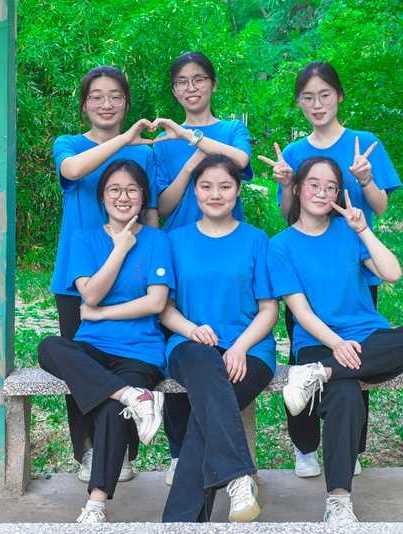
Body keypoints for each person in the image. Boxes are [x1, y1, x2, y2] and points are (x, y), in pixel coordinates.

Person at [258, 61, 403, 478]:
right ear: (299, 103)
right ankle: (305, 446)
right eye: (308, 97)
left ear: (339, 96)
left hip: (355, 265)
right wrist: (285, 184)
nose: (317, 104)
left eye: (325, 94)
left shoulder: (364, 143)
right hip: (305, 270)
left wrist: (366, 179)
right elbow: (289, 215)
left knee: (359, 352)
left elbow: (380, 208)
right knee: (305, 352)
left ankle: (351, 446)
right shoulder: (295, 153)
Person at [267, 157, 403, 526]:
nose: (322, 193)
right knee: (347, 394)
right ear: (297, 188)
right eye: (314, 184)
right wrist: (337, 345)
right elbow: (300, 312)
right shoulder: (281, 245)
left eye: (331, 187)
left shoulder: (347, 232)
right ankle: (338, 500)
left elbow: (392, 273)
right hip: (318, 342)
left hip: (365, 339)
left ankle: (319, 373)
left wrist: (363, 229)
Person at [38, 159, 172, 524]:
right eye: (114, 190)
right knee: (49, 347)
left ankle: (95, 505)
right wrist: (120, 248)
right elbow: (91, 294)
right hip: (92, 347)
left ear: (143, 196)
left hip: (140, 351)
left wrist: (100, 314)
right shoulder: (84, 239)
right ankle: (131, 396)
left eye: (131, 190)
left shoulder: (157, 240)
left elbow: (156, 302)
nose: (123, 197)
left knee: (112, 411)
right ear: (102, 197)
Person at [51, 65, 158, 483]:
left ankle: (124, 451)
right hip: (77, 277)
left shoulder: (144, 154)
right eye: (96, 96)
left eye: (115, 96)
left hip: (133, 275)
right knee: (79, 364)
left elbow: (151, 216)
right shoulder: (69, 144)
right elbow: (73, 171)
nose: (106, 103)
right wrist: (124, 139)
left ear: (126, 102)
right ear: (84, 105)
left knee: (128, 361)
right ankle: (88, 451)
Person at [153, 51, 254, 484]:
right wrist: (190, 163)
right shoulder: (162, 145)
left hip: (228, 251)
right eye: (182, 81)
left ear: (212, 84)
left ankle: (228, 454)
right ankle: (181, 452)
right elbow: (162, 205)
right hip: (179, 252)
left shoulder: (231, 129)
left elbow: (241, 162)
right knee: (180, 347)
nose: (190, 87)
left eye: (198, 79)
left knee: (229, 349)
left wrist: (191, 137)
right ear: (174, 90)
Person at [160, 154, 277, 522]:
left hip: (250, 349)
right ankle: (238, 475)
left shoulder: (256, 240)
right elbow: (164, 308)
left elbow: (269, 310)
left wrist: (240, 347)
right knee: (207, 372)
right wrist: (191, 329)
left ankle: (179, 524)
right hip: (190, 345)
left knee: (204, 418)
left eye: (225, 186)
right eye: (206, 186)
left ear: (238, 190)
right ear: (194, 191)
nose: (215, 194)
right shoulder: (175, 240)